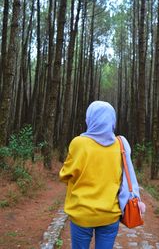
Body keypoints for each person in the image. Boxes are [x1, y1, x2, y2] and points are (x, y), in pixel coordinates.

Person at [59, 101, 144, 249]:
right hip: (109, 215)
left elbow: (65, 175)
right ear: (112, 120)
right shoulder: (120, 144)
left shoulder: (79, 143)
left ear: (89, 118)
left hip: (81, 214)